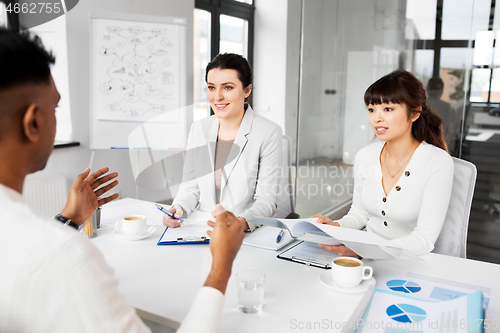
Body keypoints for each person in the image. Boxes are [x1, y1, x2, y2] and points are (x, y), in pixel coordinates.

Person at [0, 28, 245, 333]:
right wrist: (221, 267)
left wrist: (68, 219)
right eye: (56, 107)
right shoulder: (62, 257)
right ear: (33, 122)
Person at [313, 70, 454, 256]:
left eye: (388, 109)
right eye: (371, 109)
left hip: (412, 264)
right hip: (367, 260)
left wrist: (365, 251)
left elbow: (424, 238)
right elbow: (359, 214)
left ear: (414, 114)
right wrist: (335, 226)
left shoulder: (438, 162)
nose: (376, 118)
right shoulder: (364, 156)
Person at [163, 53, 283, 232]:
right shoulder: (199, 129)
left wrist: (239, 223)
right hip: (201, 230)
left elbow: (266, 201)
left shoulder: (268, 132)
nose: (217, 96)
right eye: (211, 87)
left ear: (247, 90)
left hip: (242, 233)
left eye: (227, 87)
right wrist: (178, 208)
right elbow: (190, 187)